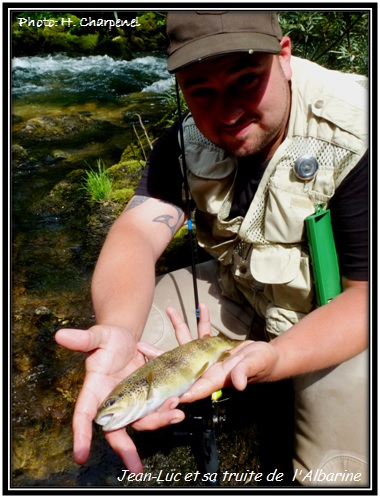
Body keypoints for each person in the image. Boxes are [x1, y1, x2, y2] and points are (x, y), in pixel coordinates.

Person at [55, 11, 369, 486]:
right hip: (242, 289)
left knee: (338, 476)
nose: (226, 113)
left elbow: (367, 298)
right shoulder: (183, 144)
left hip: (339, 316)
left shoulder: (359, 133)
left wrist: (276, 359)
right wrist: (117, 328)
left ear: (284, 57)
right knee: (125, 357)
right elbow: (136, 235)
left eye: (246, 80)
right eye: (201, 90)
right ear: (182, 85)